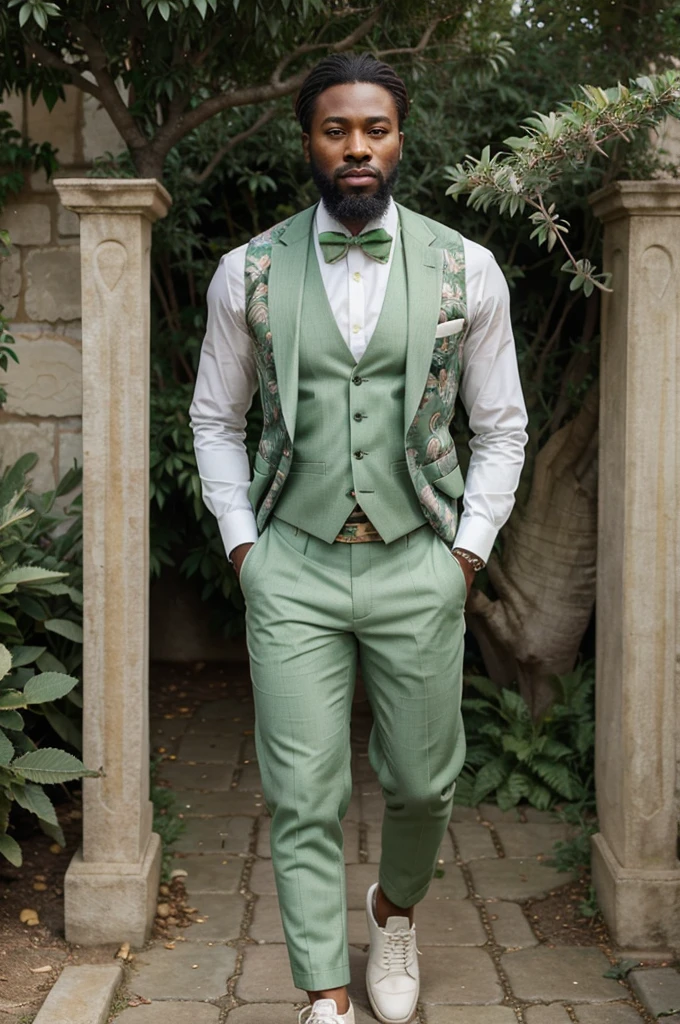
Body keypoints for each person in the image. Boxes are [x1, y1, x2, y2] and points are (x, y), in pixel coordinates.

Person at [190, 52, 528, 1024]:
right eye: (336, 129)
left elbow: (498, 424)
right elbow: (215, 418)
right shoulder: (242, 273)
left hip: (415, 556)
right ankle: (324, 994)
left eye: (372, 129)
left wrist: (464, 550)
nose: (355, 147)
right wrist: (243, 545)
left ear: (398, 138)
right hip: (288, 560)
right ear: (308, 139)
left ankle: (393, 910)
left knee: (422, 782)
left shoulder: (467, 268)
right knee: (301, 790)